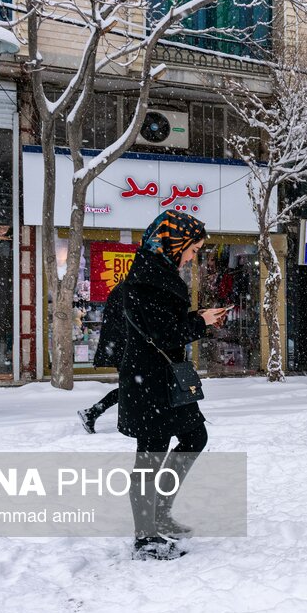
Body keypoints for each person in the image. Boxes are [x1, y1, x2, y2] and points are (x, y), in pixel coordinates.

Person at [119, 210, 227, 560]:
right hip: (150, 380)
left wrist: (198, 318)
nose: (193, 256)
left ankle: (160, 513)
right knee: (149, 456)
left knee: (195, 436)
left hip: (162, 379)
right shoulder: (148, 278)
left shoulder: (158, 271)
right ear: (174, 243)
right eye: (192, 249)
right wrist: (200, 322)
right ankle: (145, 538)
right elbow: (164, 334)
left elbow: (167, 325)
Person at [77, 280, 127, 434]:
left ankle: (93, 413)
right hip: (125, 349)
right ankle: (92, 413)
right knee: (131, 388)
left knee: (131, 388)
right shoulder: (128, 291)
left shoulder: (123, 290)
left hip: (123, 348)